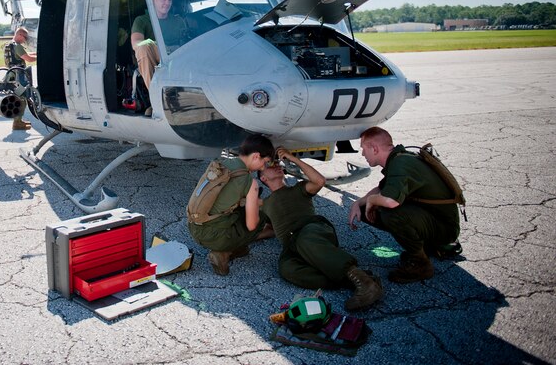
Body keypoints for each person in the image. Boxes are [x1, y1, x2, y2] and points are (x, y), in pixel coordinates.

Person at [260, 141, 384, 311]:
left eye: (277, 163)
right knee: (287, 269)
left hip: (313, 229)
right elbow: (269, 229)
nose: (276, 166)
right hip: (292, 244)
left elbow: (319, 181)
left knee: (306, 240)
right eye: (270, 166)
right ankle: (359, 280)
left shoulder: (298, 189)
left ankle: (363, 283)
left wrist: (292, 158)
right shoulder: (265, 204)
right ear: (263, 178)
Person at [349, 126, 461, 283]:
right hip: (433, 219)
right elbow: (382, 188)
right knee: (364, 209)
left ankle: (420, 264)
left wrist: (371, 200)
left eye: (363, 149)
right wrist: (358, 203)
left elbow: (390, 201)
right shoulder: (399, 159)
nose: (362, 154)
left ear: (374, 149)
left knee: (390, 212)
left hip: (444, 228)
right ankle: (423, 247)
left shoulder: (400, 163)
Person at [187, 133, 274, 276]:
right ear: (256, 156)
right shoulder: (250, 182)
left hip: (194, 227)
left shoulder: (222, 164)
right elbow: (252, 225)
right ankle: (224, 252)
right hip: (213, 236)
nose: (262, 167)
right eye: (265, 162)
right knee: (260, 218)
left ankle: (237, 247)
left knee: (241, 211)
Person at [130, 0, 190, 97]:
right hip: (156, 54)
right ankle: (157, 98)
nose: (167, 3)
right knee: (143, 47)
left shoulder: (178, 21)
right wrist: (156, 45)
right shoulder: (142, 20)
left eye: (170, 0)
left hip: (176, 55)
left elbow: (186, 44)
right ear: (153, 0)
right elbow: (136, 43)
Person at [5, 27, 36, 131]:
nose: (25, 40)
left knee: (19, 97)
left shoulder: (10, 44)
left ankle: (18, 121)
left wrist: (37, 53)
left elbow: (25, 55)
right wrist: (42, 57)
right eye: (25, 37)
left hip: (12, 75)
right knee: (22, 98)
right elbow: (29, 59)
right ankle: (17, 123)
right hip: (19, 77)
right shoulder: (17, 46)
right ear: (20, 35)